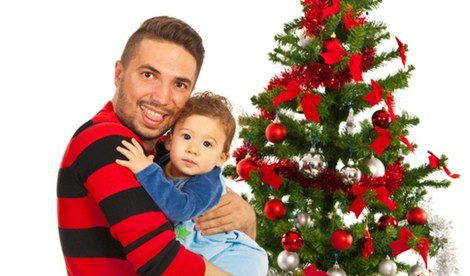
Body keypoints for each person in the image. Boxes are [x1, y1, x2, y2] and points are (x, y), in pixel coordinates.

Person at [57, 16, 256, 275]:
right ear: (119, 73)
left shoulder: (167, 152)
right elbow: (163, 265)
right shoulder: (106, 143)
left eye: (179, 84)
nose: (162, 98)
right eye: (149, 75)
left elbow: (218, 220)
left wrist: (247, 220)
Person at [115, 92, 268, 276]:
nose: (193, 149)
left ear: (221, 158)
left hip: (229, 257)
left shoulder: (208, 181)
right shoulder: (162, 163)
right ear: (170, 141)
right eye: (186, 137)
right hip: (198, 257)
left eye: (207, 144)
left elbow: (180, 209)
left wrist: (145, 170)